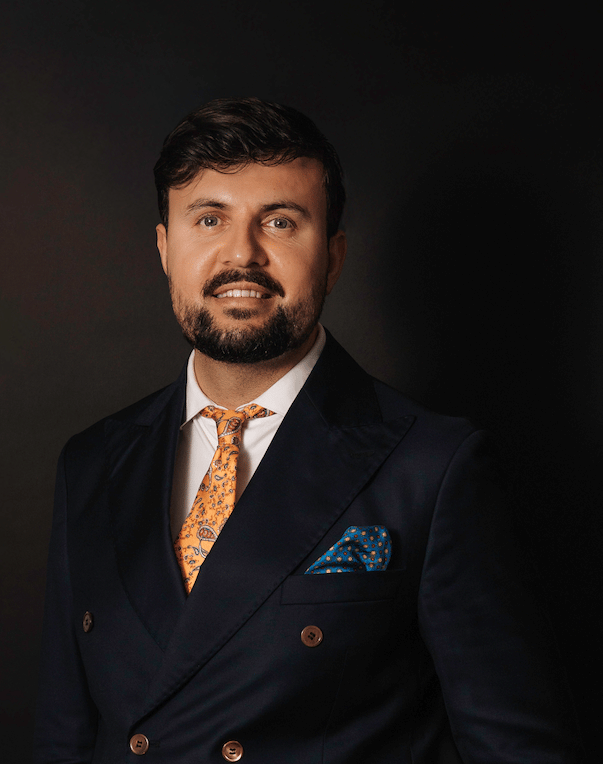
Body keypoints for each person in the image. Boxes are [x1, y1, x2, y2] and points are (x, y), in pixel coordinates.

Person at [34, 97, 581, 764]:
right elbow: (64, 738)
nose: (242, 254)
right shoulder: (92, 463)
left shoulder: (433, 468)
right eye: (209, 219)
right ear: (164, 248)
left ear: (333, 256)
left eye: (281, 222)